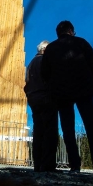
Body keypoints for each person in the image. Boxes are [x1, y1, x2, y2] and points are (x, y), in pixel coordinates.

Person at [41, 21, 93, 174]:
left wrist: (52, 85)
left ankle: (74, 166)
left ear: (58, 33)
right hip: (83, 89)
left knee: (68, 129)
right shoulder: (81, 43)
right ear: (71, 31)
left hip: (61, 93)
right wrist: (92, 81)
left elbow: (45, 72)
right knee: (92, 126)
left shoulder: (51, 48)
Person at [25, 40, 58, 172]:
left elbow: (27, 83)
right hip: (46, 98)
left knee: (38, 132)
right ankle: (48, 165)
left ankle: (37, 165)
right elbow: (51, 80)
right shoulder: (45, 61)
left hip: (34, 99)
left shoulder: (31, 64)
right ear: (44, 49)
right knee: (50, 132)